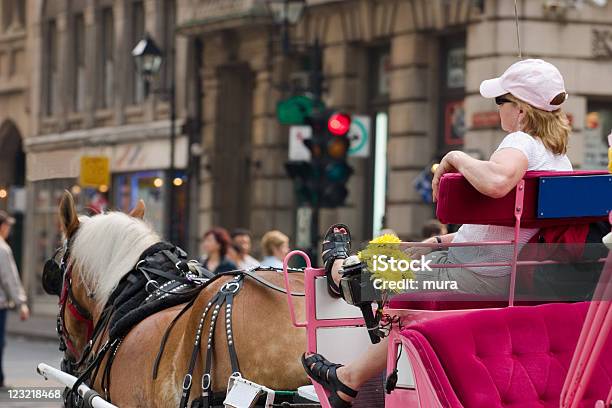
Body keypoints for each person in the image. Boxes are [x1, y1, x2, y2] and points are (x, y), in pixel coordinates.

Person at [303, 59, 574, 407]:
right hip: (505, 273)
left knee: (371, 273)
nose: (499, 110)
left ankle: (338, 271)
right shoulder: (558, 158)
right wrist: (437, 242)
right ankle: (347, 379)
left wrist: (456, 156)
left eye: (500, 101)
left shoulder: (520, 142)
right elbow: (503, 231)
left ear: (520, 109)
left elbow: (496, 181)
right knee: (403, 257)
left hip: (471, 276)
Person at [0, 211, 30, 388]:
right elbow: (9, 278)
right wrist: (21, 303)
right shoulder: (2, 249)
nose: (9, 230)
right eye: (7, 226)